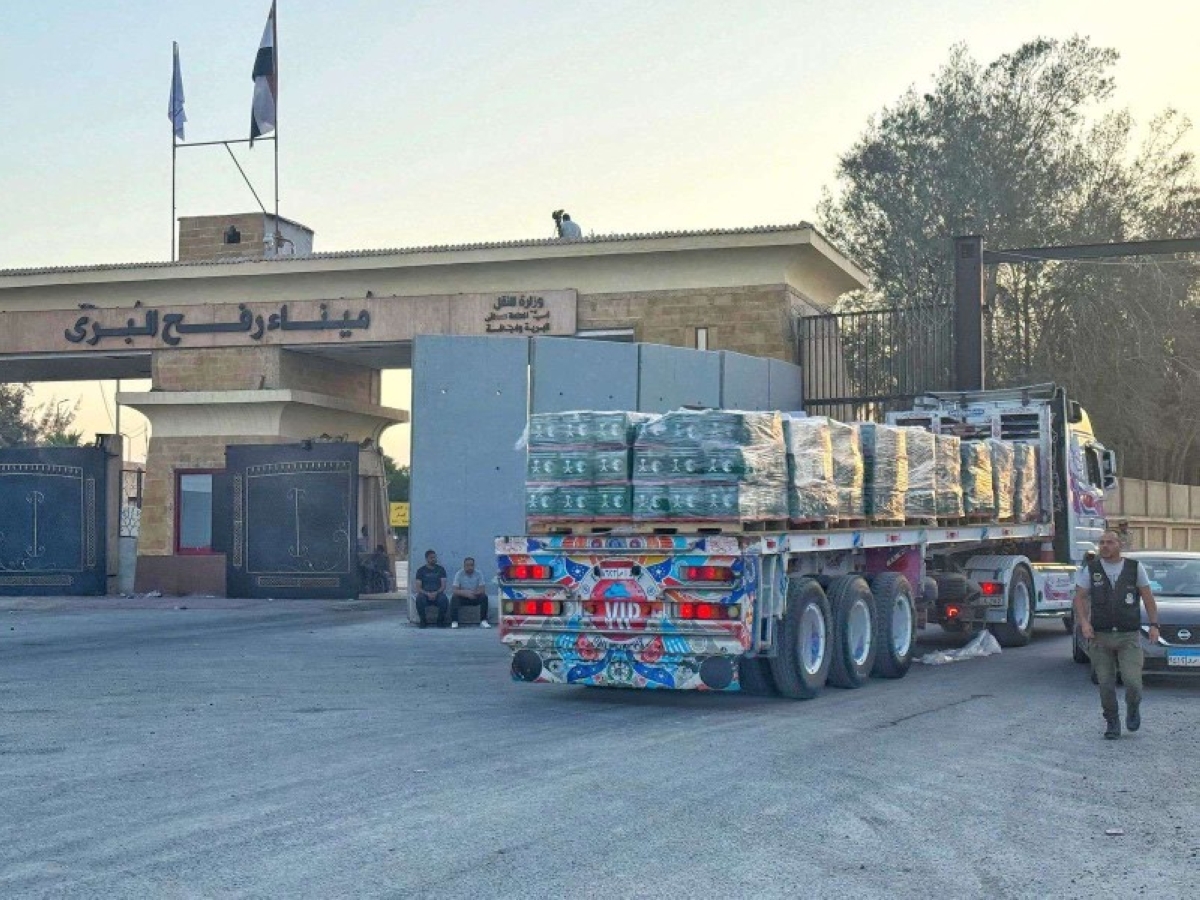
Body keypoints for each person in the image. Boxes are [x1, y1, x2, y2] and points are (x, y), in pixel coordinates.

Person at [1072, 530, 1160, 739]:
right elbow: (1080, 597)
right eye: (1102, 542)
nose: (1104, 546)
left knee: (1133, 682)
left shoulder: (1134, 568)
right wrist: (1084, 622)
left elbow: (1148, 597)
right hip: (1100, 636)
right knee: (1105, 683)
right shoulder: (1091, 569)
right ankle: (1112, 721)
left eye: (1110, 542)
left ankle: (1133, 707)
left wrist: (1154, 625)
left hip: (1128, 636)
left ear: (1120, 544)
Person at [450, 557, 491, 629]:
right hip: (463, 597)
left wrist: (474, 593)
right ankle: (454, 621)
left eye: (471, 565)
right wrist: (466, 593)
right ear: (464, 566)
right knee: (454, 598)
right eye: (467, 565)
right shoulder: (459, 574)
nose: (470, 567)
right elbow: (455, 590)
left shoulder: (478, 573)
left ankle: (483, 621)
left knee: (484, 597)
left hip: (475, 596)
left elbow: (482, 589)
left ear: (474, 565)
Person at [413, 549, 449, 628]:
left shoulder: (441, 569)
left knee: (444, 599)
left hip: (438, 593)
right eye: (431, 558)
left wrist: (436, 593)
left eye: (434, 557)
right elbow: (418, 587)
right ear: (427, 559)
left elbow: (443, 586)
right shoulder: (421, 570)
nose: (434, 559)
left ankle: (440, 621)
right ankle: (423, 621)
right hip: (425, 594)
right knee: (419, 599)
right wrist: (427, 594)